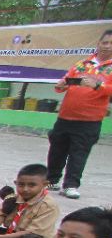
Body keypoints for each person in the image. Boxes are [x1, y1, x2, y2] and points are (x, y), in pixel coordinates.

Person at [46, 28, 112, 199]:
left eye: (111, 44)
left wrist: (98, 86)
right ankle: (51, 180)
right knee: (56, 149)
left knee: (79, 153)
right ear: (98, 43)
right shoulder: (82, 64)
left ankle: (71, 185)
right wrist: (61, 85)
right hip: (65, 116)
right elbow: (66, 80)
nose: (107, 46)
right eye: (105, 42)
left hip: (89, 120)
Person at [0, 165, 59, 238]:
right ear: (16, 183)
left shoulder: (48, 205)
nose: (25, 189)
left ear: (45, 185)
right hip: (10, 234)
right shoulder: (12, 198)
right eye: (21, 185)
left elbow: (30, 232)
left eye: (32, 185)